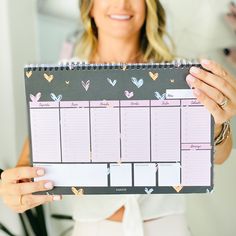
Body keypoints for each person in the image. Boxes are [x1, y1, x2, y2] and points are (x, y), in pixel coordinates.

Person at [0, 0, 235, 235]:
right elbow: (27, 165)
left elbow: (220, 156)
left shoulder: (182, 76)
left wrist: (217, 126)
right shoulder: (62, 80)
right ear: (89, 6)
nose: (122, 4)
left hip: (167, 228)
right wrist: (14, 190)